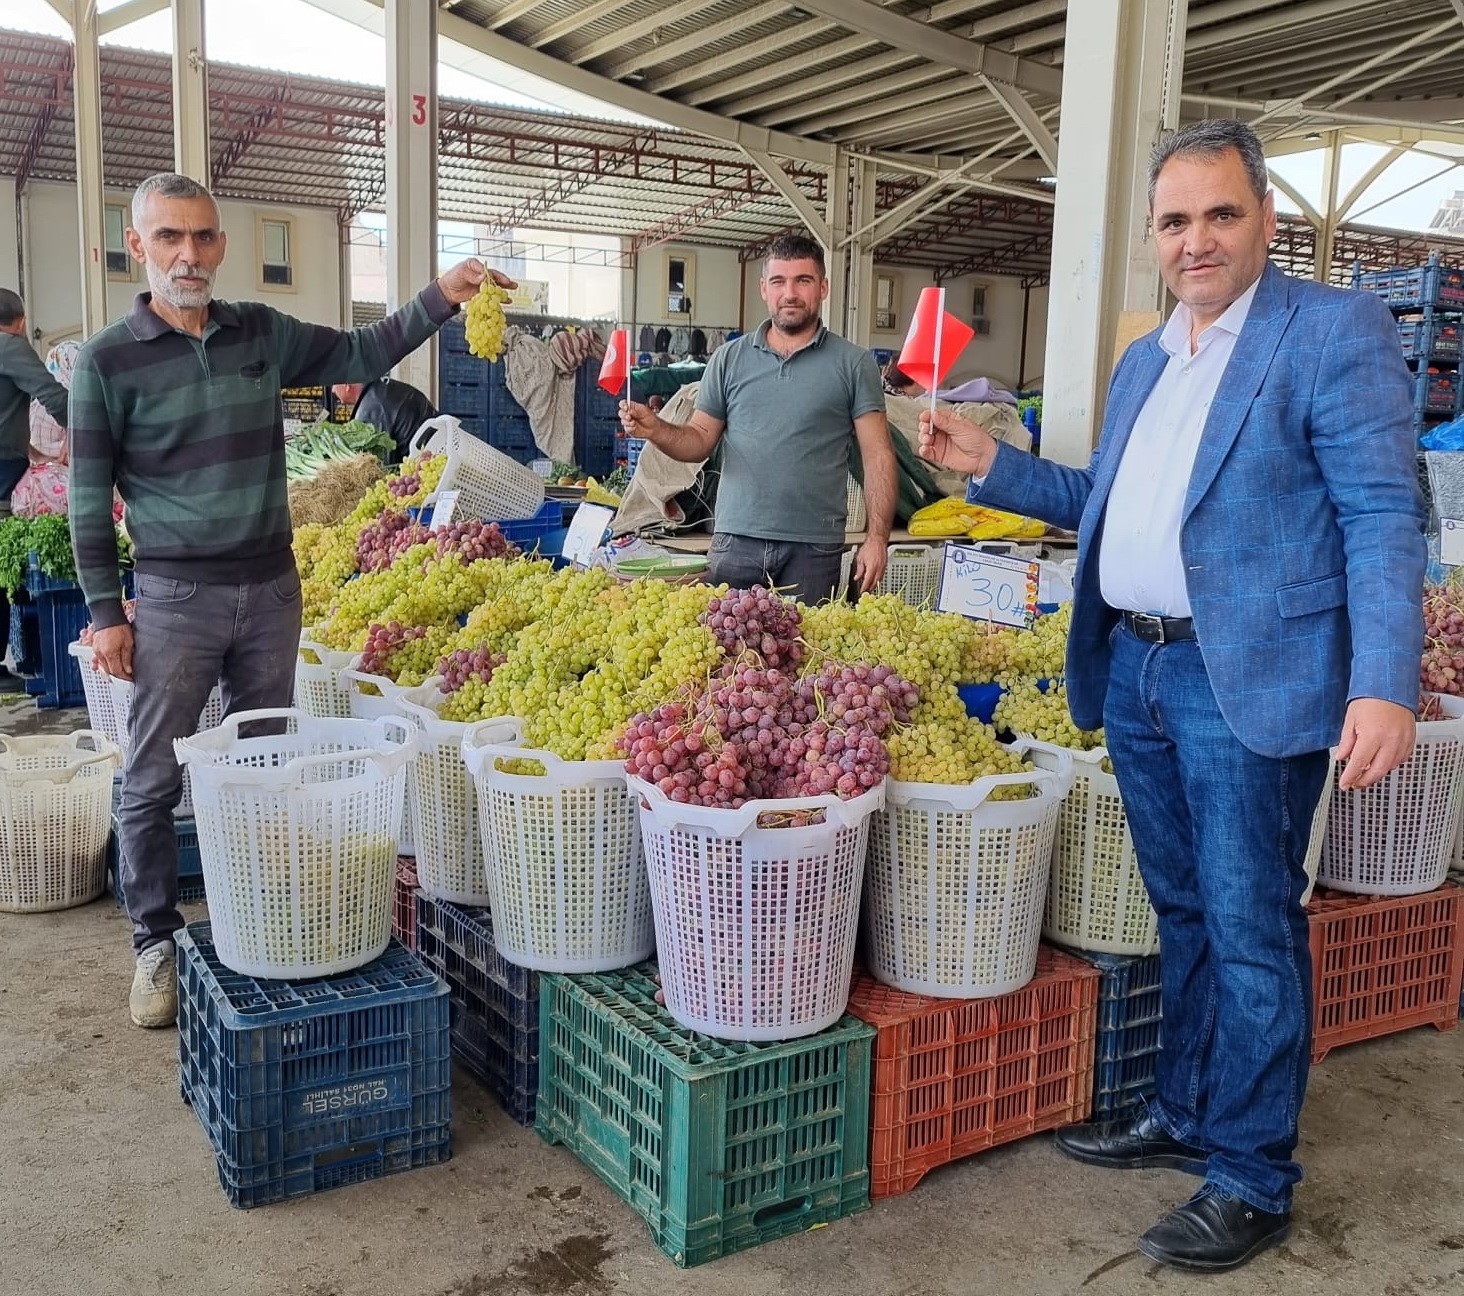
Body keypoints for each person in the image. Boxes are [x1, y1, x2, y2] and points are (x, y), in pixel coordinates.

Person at [918, 119, 1424, 1273]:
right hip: (1140, 669)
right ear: (1154, 237)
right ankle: (1185, 1109)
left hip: (1245, 677)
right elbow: (1112, 501)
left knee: (1251, 926)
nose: (1197, 240)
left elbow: (1385, 516)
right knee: (1183, 912)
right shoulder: (1149, 355)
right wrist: (993, 469)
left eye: (1221, 215)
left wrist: (1385, 683)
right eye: (1176, 221)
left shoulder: (1327, 330)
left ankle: (1251, 1171)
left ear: (1267, 222)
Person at [68, 172, 515, 1029]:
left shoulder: (258, 332)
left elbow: (361, 352)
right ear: (139, 246)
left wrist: (441, 296)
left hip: (272, 587)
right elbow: (90, 502)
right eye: (170, 238)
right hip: (175, 596)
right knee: (154, 776)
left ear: (222, 244)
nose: (188, 255)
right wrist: (104, 614)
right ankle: (154, 943)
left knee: (267, 762)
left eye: (202, 237)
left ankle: (264, 908)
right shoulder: (106, 362)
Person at [618, 233, 897, 600]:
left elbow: (878, 455)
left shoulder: (853, 363)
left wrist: (877, 538)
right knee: (727, 651)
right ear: (764, 288)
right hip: (736, 541)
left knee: (805, 651)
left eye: (803, 280)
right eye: (779, 281)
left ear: (824, 288)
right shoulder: (729, 360)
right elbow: (699, 439)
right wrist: (657, 429)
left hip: (813, 547)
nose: (790, 293)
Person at [0, 289, 70, 690]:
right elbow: (54, 394)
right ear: (22, 322)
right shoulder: (10, 346)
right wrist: (81, 435)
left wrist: (36, 453)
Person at [330, 376, 437, 462]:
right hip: (438, 445)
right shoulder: (382, 388)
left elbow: (381, 465)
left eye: (334, 384)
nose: (333, 390)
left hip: (427, 462)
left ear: (347, 384)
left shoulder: (370, 411)